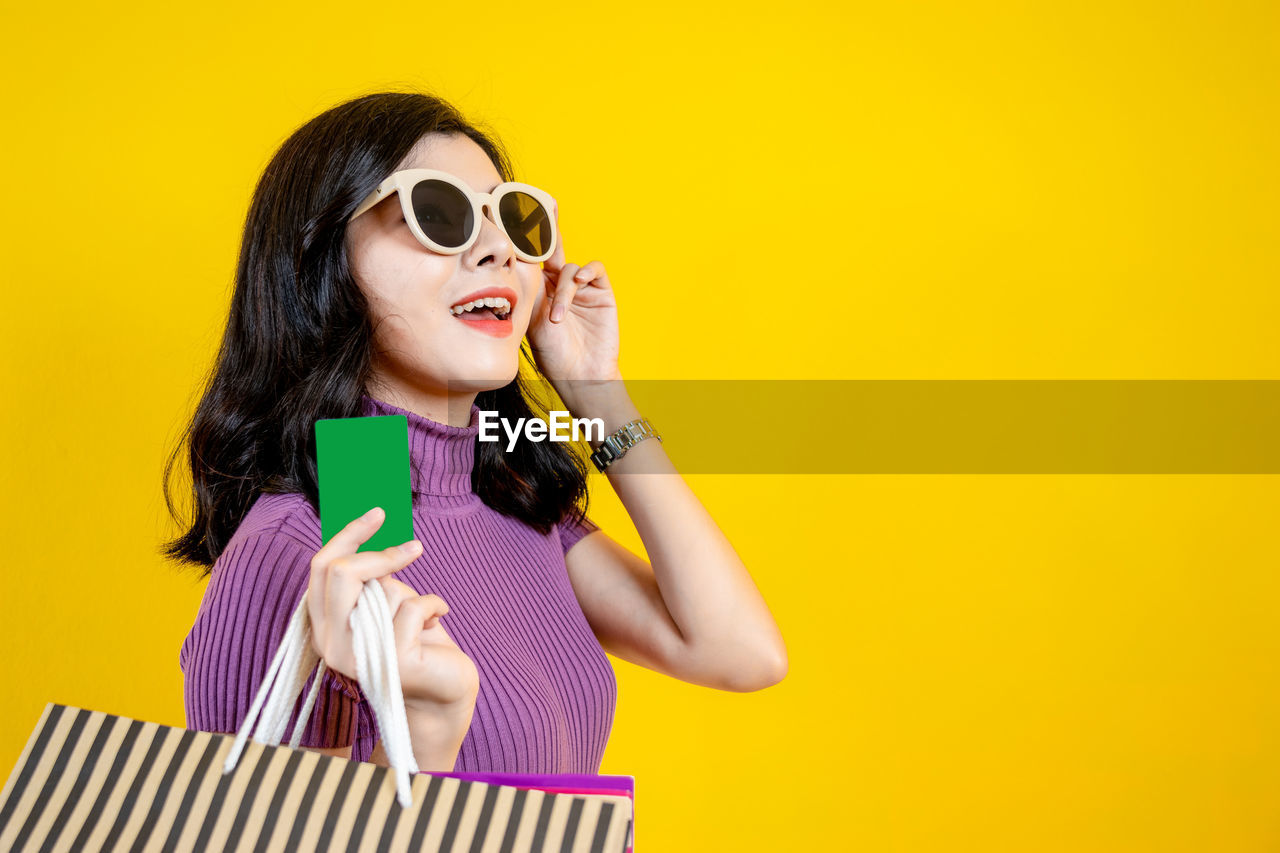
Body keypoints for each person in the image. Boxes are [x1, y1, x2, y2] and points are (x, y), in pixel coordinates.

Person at [163, 90, 788, 774]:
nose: (498, 249)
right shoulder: (302, 549)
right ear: (326, 261)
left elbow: (740, 651)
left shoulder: (512, 502)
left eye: (513, 220)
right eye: (438, 213)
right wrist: (424, 744)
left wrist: (596, 393)